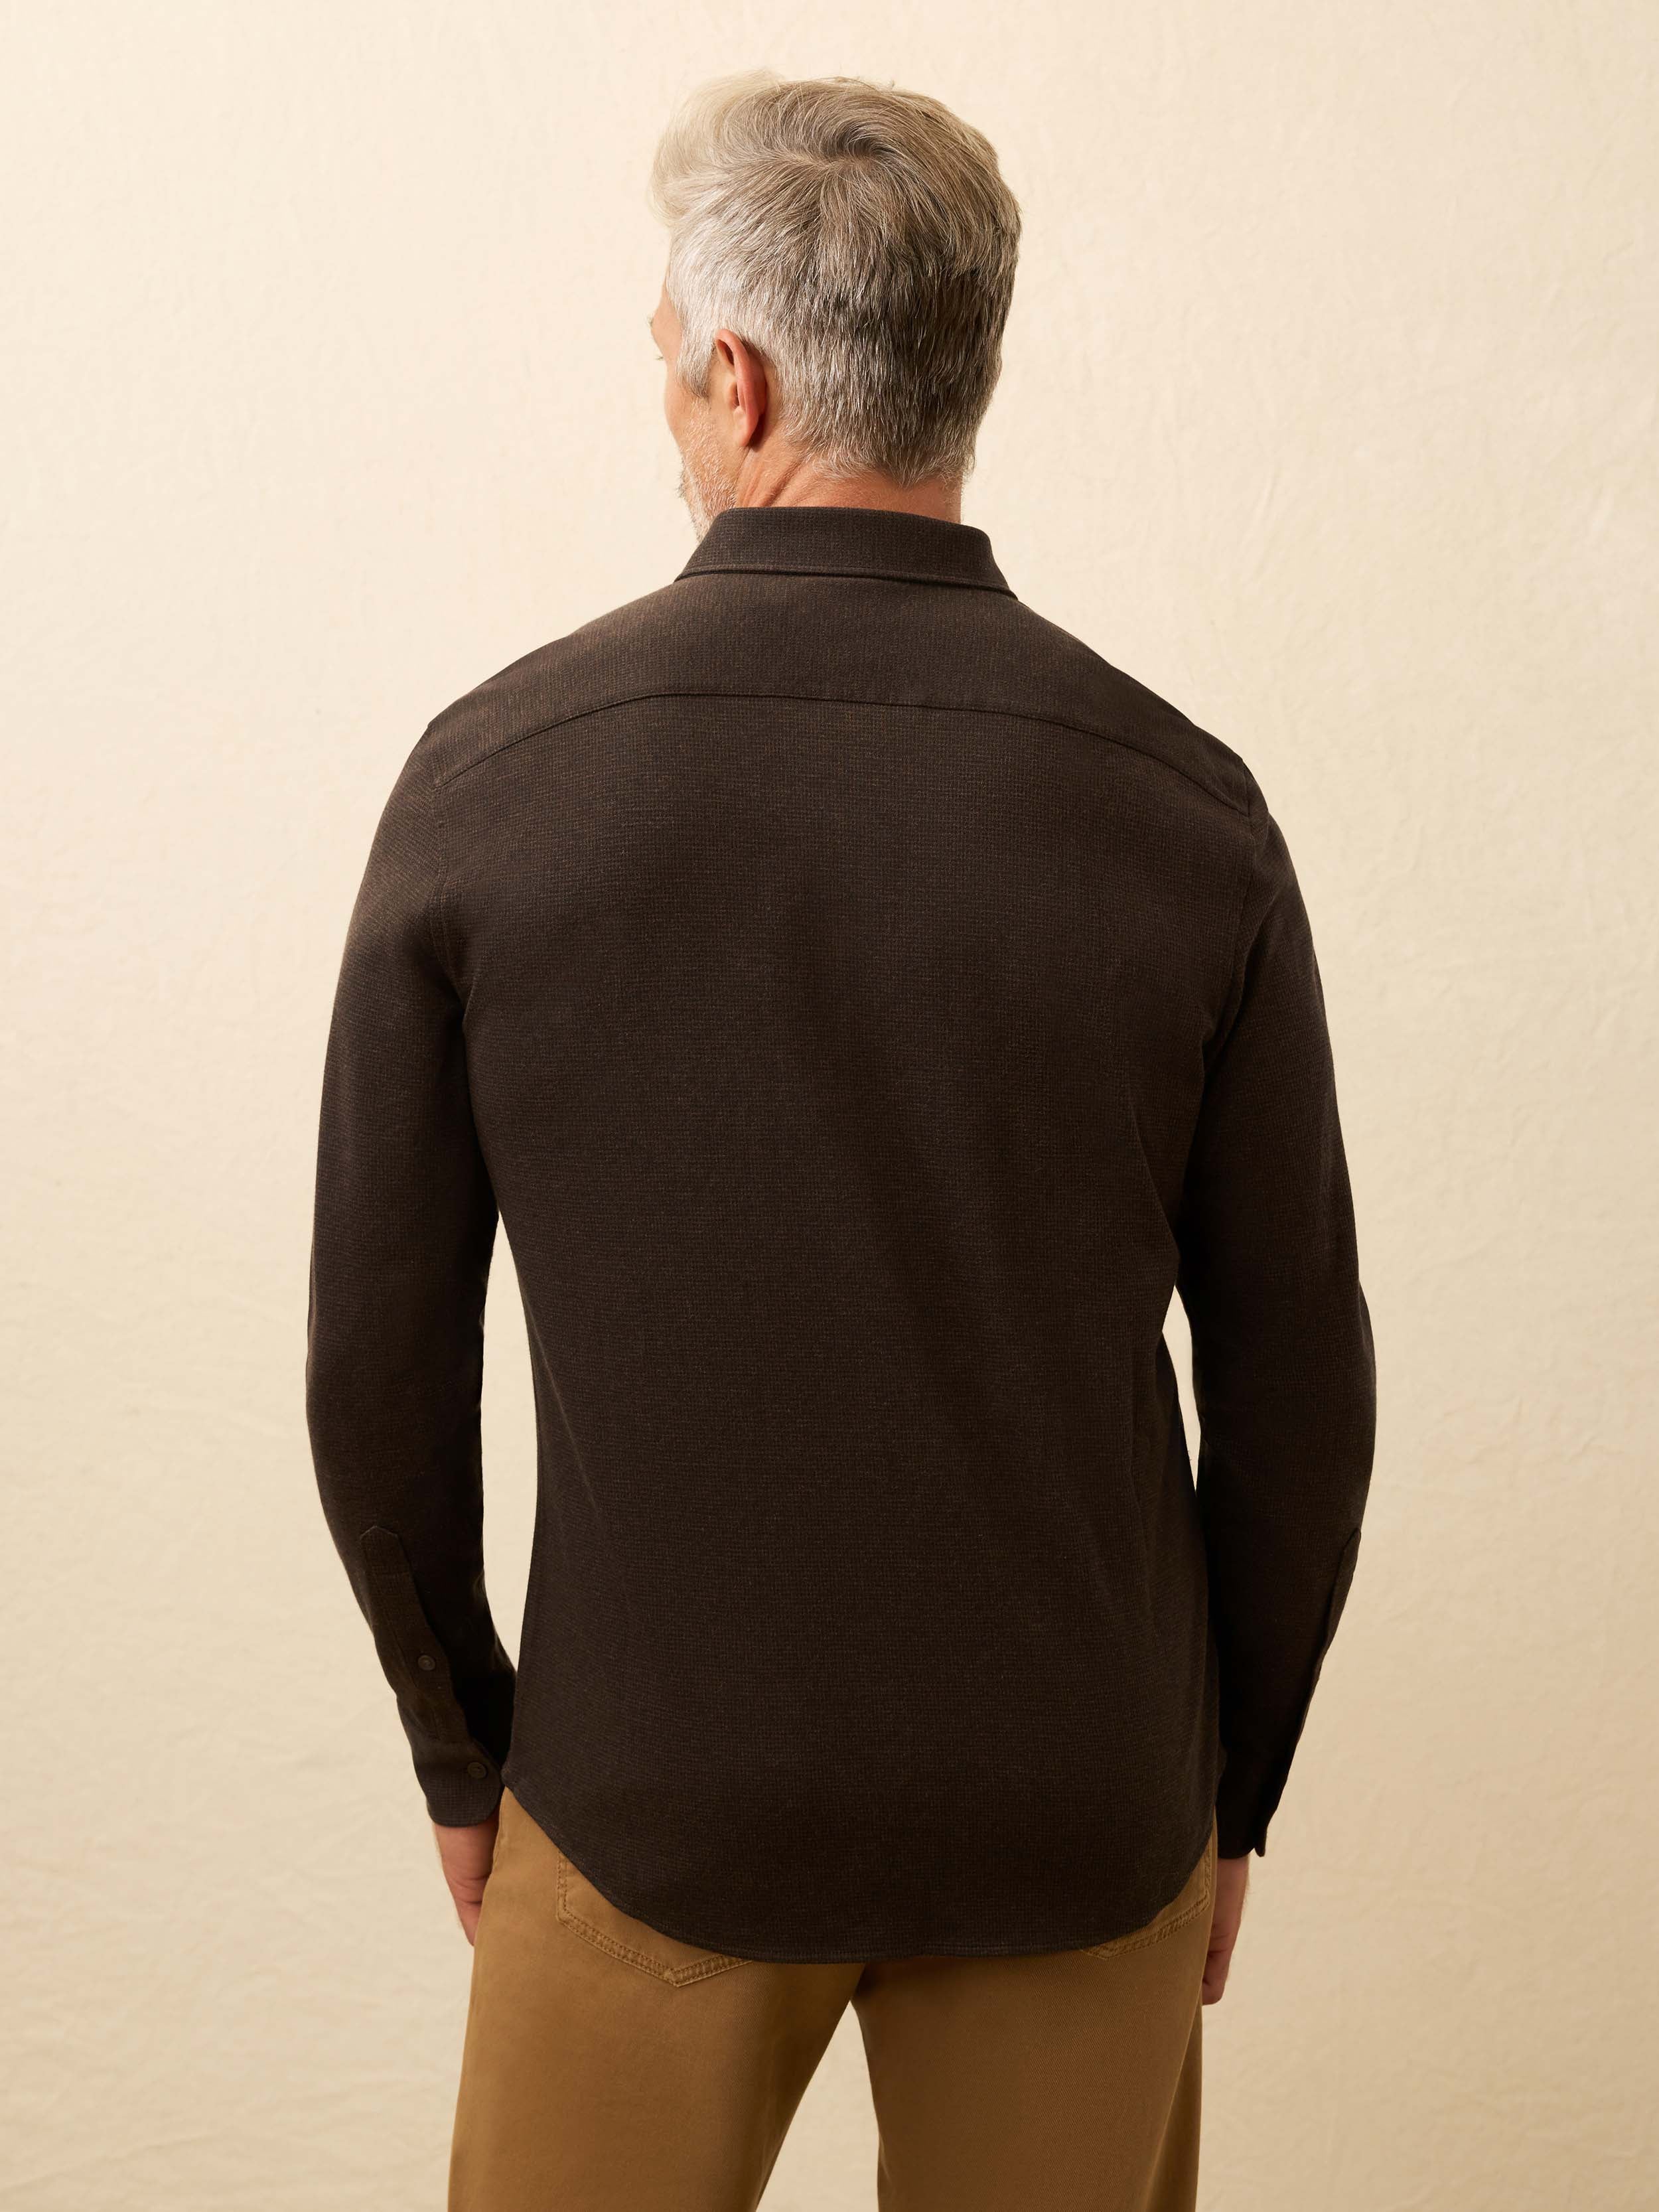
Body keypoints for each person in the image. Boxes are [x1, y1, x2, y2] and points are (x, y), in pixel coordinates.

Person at [305, 68, 1376, 2212]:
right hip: (1079, 1810)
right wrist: (1223, 1794)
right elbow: (1295, 1388)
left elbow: (375, 1358)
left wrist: (462, 1748)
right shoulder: (1185, 815)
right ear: (964, 369)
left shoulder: (495, 784)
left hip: (643, 1798)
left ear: (737, 374)